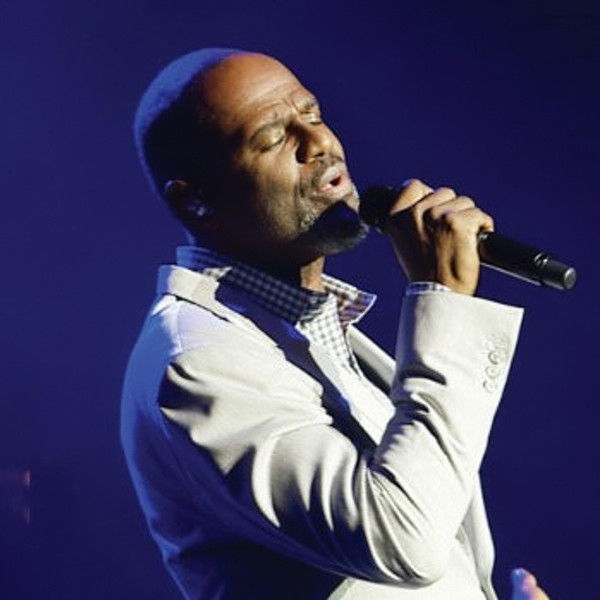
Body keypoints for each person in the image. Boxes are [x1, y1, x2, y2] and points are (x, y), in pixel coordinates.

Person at [120, 48, 550, 599]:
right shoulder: (199, 362)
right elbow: (402, 541)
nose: (318, 142)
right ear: (196, 200)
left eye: (313, 114)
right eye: (273, 138)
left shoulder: (308, 328)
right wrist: (443, 299)